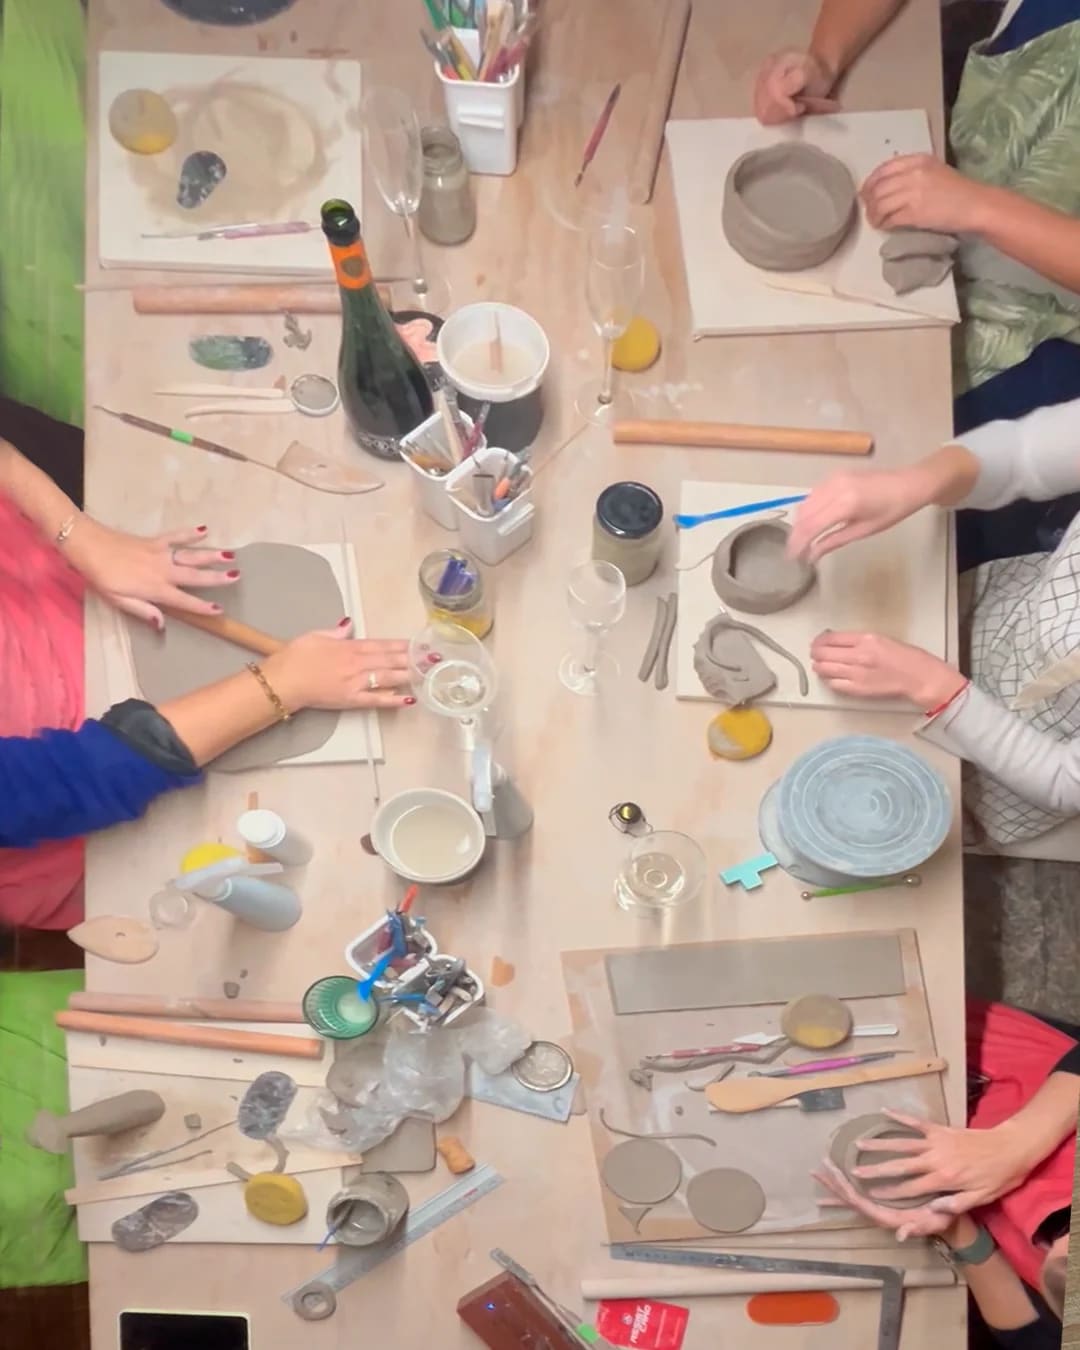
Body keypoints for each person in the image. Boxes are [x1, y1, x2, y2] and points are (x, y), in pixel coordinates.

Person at [0, 425, 412, 929]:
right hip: (92, 805)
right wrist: (284, 685)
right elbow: (71, 780)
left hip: (56, 579)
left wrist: (78, 536)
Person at [753, 0, 1080, 431]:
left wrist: (979, 208)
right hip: (969, 172)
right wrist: (822, 60)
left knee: (889, 427)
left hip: (1052, 321)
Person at [788, 395, 1080, 848]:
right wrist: (916, 482)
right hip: (993, 617)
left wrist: (938, 690)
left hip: (1012, 761)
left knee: (903, 812)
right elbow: (1025, 454)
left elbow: (1063, 779)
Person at [815, 1001, 1075, 1349]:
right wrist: (1017, 1146)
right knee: (870, 1006)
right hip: (1021, 1075)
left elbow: (1027, 1332)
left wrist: (952, 1223)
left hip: (958, 1156)